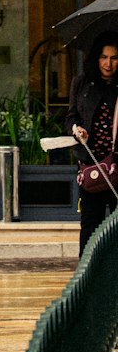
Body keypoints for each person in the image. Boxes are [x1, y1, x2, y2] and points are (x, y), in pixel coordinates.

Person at [65, 31, 118, 254]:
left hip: (117, 166)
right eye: (104, 57)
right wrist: (77, 130)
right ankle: (86, 276)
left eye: (114, 58)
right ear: (96, 58)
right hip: (92, 165)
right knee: (90, 223)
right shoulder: (82, 83)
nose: (108, 63)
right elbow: (71, 117)